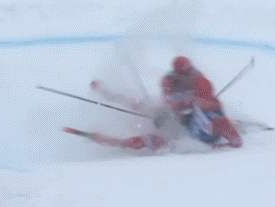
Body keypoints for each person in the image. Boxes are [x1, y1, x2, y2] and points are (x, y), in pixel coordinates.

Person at [85, 56, 242, 150]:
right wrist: (171, 114)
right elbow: (170, 104)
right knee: (143, 107)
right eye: (187, 74)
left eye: (191, 72)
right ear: (178, 74)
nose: (191, 76)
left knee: (159, 140)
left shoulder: (200, 80)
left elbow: (211, 106)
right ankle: (108, 93)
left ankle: (114, 141)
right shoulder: (169, 81)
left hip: (189, 125)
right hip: (176, 115)